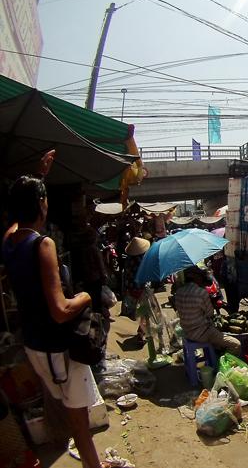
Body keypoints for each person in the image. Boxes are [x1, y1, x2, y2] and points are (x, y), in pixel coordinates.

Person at [2, 175, 107, 468]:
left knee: (67, 413)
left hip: (34, 346)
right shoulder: (43, 245)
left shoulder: (9, 240)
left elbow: (17, 216)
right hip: (59, 348)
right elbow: (61, 309)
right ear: (40, 205)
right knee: (80, 425)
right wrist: (85, 297)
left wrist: (38, 177)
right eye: (44, 198)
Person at [174, 265, 241, 356]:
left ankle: (214, 356)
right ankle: (221, 362)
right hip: (202, 333)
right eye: (200, 276)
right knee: (236, 344)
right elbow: (210, 313)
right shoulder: (201, 292)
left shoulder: (179, 292)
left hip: (187, 333)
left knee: (217, 341)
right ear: (196, 277)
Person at [121, 237, 150, 343]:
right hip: (140, 289)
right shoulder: (141, 260)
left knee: (142, 311)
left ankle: (142, 332)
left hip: (132, 289)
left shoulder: (128, 260)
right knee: (145, 312)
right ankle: (141, 334)